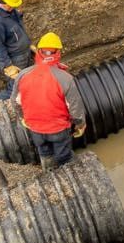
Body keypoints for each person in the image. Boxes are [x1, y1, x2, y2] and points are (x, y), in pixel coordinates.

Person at [13, 32, 85, 170]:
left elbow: (15, 102)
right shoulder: (65, 78)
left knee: (45, 154)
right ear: (58, 53)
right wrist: (80, 125)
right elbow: (75, 108)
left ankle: (49, 174)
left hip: (36, 130)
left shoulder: (23, 75)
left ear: (38, 52)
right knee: (64, 157)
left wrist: (23, 117)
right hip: (58, 130)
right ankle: (68, 176)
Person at [0, 0, 33, 103]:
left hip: (25, 53)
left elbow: (18, 31)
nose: (14, 6)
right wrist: (7, 66)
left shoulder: (11, 12)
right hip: (16, 59)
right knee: (14, 87)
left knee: (28, 81)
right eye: (12, 4)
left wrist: (28, 45)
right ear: (6, 3)